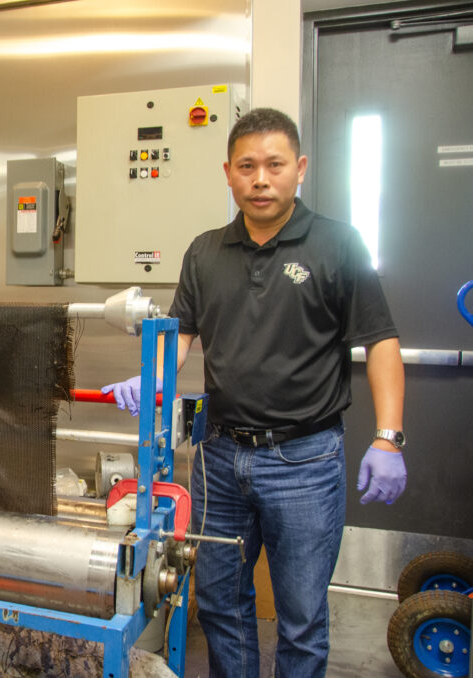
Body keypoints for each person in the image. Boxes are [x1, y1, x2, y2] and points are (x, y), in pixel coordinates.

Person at [102, 107, 407, 677]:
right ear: (228, 172)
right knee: (220, 605)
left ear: (300, 169)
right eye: (247, 166)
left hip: (306, 460)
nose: (260, 178)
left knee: (300, 618)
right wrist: (155, 375)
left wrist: (388, 439)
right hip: (218, 455)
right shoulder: (205, 251)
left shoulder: (339, 244)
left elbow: (381, 342)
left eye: (274, 164)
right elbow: (183, 334)